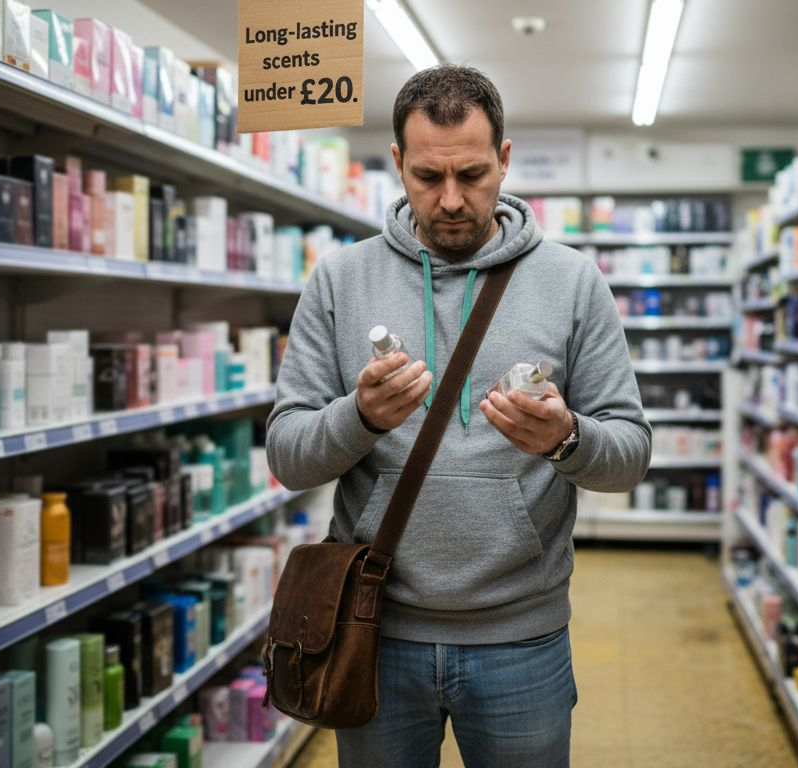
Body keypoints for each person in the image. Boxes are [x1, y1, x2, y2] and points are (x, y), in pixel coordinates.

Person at [265, 64, 651, 767]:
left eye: (472, 175)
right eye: (426, 177)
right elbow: (289, 457)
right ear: (396, 164)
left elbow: (630, 454)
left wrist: (567, 438)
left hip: (521, 638)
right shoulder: (339, 280)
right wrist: (360, 418)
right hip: (371, 629)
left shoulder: (571, 281)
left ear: (505, 160)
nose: (449, 200)